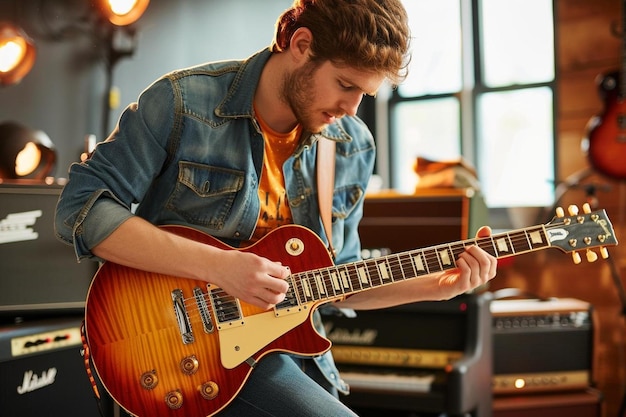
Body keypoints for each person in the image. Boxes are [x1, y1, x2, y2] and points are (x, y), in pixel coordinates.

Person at [55, 0, 497, 416]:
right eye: (345, 84)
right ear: (301, 45)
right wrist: (221, 266)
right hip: (171, 348)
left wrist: (437, 286)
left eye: (364, 93)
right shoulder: (183, 103)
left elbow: (340, 277)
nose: (350, 108)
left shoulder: (351, 147)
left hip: (291, 355)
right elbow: (82, 208)